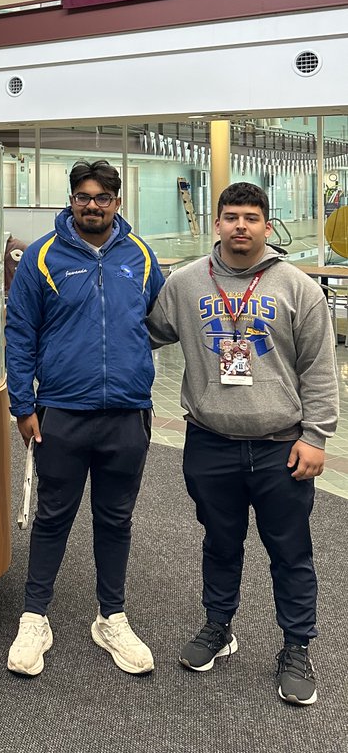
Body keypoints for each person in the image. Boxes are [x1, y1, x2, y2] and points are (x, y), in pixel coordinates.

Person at [147, 182, 338, 706]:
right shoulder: (185, 284)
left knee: (290, 552)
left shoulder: (297, 287)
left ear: (266, 226)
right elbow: (144, 333)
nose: (240, 226)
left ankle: (297, 646)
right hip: (210, 444)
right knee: (220, 543)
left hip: (281, 447)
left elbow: (319, 369)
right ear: (216, 223)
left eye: (251, 218)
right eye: (231, 216)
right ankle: (218, 628)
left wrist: (316, 437)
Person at [5, 159, 163, 678]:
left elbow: (158, 320)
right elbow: (21, 331)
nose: (93, 205)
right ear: (71, 199)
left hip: (125, 413)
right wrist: (24, 407)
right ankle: (35, 618)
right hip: (62, 412)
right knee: (54, 518)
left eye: (103, 197)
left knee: (116, 519)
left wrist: (132, 364)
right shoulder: (42, 257)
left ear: (117, 202)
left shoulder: (139, 255)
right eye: (83, 196)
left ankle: (111, 617)